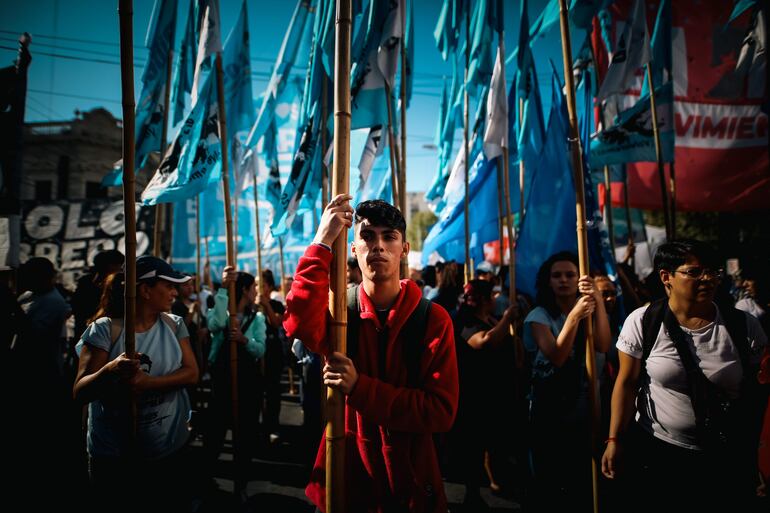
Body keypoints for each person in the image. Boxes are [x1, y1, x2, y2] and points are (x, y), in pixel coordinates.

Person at [283, 196, 459, 512]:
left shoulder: (433, 318)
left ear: (404, 249)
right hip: (344, 476)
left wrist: (360, 388)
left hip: (410, 481)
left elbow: (440, 411)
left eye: (389, 236)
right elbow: (296, 322)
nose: (377, 245)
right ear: (354, 250)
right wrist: (322, 240)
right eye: (366, 236)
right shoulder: (340, 312)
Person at [601, 240, 768, 512]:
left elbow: (757, 394)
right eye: (694, 272)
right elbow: (627, 382)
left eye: (713, 271)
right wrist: (614, 440)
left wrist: (758, 456)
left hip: (726, 457)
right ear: (666, 277)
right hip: (660, 452)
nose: (707, 279)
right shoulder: (642, 321)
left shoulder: (743, 326)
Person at [73, 256, 199, 511]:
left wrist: (148, 383)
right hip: (113, 455)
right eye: (169, 286)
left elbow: (192, 373)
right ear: (145, 290)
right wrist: (109, 370)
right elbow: (80, 391)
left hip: (166, 447)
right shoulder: (104, 330)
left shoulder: (173, 325)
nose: (176, 292)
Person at [523, 251, 611, 512]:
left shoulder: (590, 310)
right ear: (548, 281)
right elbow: (558, 356)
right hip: (550, 407)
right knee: (550, 478)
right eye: (557, 275)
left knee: (581, 478)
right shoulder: (539, 316)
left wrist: (597, 301)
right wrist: (574, 316)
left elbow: (604, 345)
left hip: (586, 406)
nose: (564, 280)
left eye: (570, 275)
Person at [452, 279, 518, 508]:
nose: (495, 300)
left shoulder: (490, 319)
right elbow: (485, 341)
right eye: (492, 295)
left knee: (493, 441)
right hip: (476, 394)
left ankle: (496, 482)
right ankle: (474, 493)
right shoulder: (466, 323)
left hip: (496, 391)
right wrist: (507, 319)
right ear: (482, 299)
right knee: (476, 445)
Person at [205, 267, 267, 465]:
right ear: (244, 290)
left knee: (245, 431)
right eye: (253, 287)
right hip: (222, 379)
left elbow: (260, 350)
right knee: (215, 430)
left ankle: (241, 478)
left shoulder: (257, 319)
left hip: (247, 381)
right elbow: (215, 324)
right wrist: (223, 290)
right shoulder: (221, 312)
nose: (256, 291)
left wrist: (244, 341)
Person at [71, 249, 124, 341]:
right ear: (110, 265)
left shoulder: (86, 281)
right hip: (93, 334)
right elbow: (78, 309)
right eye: (119, 265)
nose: (121, 269)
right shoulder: (88, 284)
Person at [260, 268, 287, 443]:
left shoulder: (276, 304)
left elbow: (277, 323)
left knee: (272, 392)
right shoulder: (249, 306)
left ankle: (273, 425)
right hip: (257, 355)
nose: (257, 288)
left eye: (260, 285)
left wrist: (266, 305)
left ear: (268, 286)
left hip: (272, 354)